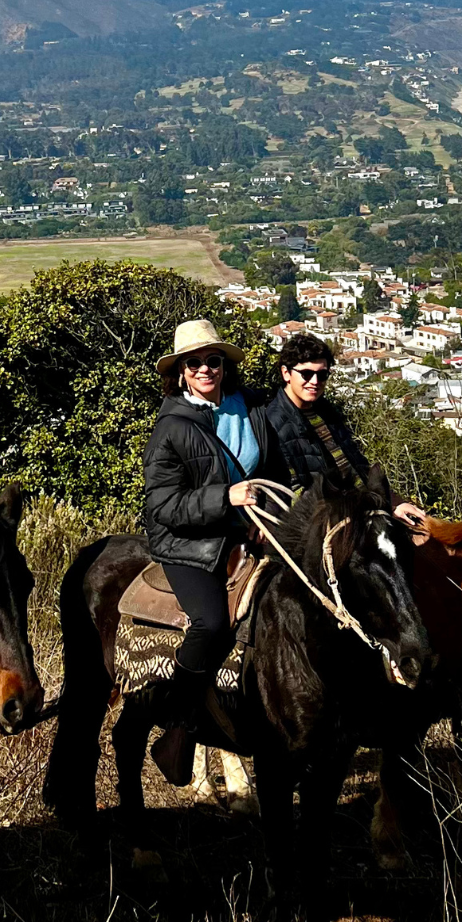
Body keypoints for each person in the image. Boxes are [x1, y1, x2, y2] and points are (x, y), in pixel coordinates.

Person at [142, 318, 286, 786]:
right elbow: (162, 505)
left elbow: (275, 470)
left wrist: (265, 519)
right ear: (180, 372)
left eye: (213, 361)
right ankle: (180, 725)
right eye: (194, 363)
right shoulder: (171, 427)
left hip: (250, 533)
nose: (205, 369)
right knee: (212, 623)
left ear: (224, 366)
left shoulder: (250, 409)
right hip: (189, 545)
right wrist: (226, 499)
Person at [265, 332, 428, 536]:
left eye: (322, 375)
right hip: (326, 528)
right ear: (286, 373)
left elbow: (357, 467)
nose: (315, 381)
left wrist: (394, 503)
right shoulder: (273, 424)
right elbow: (287, 492)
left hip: (357, 512)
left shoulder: (326, 411)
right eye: (306, 374)